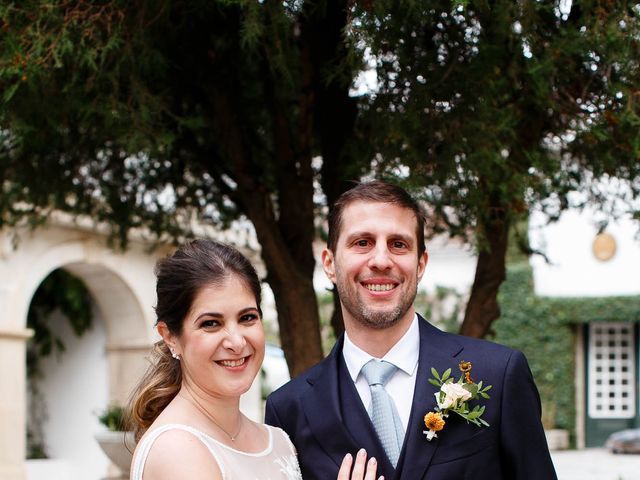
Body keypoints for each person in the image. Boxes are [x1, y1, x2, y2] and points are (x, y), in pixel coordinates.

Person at [265, 181, 558, 480]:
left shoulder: (499, 375)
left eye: (398, 244)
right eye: (362, 243)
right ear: (329, 263)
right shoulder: (289, 409)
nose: (381, 260)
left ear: (420, 264)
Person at [126, 239, 382, 480]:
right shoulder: (175, 449)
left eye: (247, 318)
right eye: (211, 323)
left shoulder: (279, 441)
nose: (237, 342)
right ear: (170, 336)